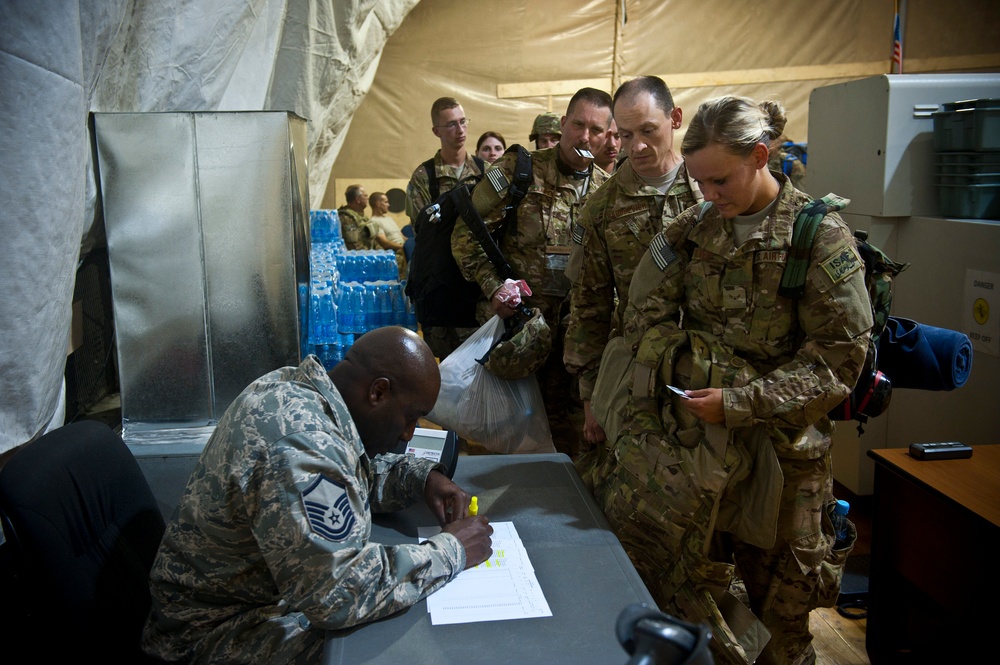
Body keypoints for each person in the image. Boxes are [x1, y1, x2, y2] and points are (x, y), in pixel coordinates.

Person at [593, 96, 872, 665]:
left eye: (720, 180)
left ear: (761, 156)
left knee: (780, 627)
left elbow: (840, 360)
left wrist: (741, 400)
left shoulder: (817, 237)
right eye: (700, 182)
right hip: (702, 456)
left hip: (785, 463)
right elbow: (640, 313)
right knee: (707, 609)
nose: (710, 195)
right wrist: (691, 368)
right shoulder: (692, 228)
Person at [142, 327, 494, 664]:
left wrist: (419, 479)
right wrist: (451, 551)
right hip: (211, 637)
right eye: (411, 416)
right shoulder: (301, 442)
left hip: (256, 601)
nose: (408, 433)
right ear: (378, 392)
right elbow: (337, 593)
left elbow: (349, 476)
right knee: (398, 644)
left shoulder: (301, 394)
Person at [451, 87, 613, 458]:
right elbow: (465, 236)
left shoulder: (608, 190)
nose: (585, 137)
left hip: (575, 341)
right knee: (507, 440)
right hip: (520, 333)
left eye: (596, 130)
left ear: (607, 135)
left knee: (572, 442)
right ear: (562, 124)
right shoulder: (518, 170)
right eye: (577, 125)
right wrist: (494, 288)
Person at [564, 76, 700, 455]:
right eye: (624, 135)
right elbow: (589, 308)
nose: (636, 146)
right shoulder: (602, 207)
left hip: (709, 373)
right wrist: (591, 398)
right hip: (638, 376)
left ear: (675, 118)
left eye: (648, 130)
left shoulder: (709, 189)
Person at [405, 97, 487, 360]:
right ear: (436, 131)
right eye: (451, 124)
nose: (460, 130)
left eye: (463, 122)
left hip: (478, 289)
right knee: (444, 369)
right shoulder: (424, 178)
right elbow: (423, 234)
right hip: (441, 289)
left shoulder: (485, 172)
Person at [368, 191, 407, 278]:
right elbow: (385, 243)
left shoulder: (389, 218)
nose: (388, 205)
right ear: (378, 204)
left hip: (403, 249)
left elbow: (403, 237)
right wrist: (403, 248)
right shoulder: (373, 221)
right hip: (396, 252)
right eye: (386, 202)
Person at [337, 184, 370, 250]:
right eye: (365, 196)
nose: (367, 198)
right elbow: (355, 247)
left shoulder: (362, 217)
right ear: (358, 200)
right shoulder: (346, 218)